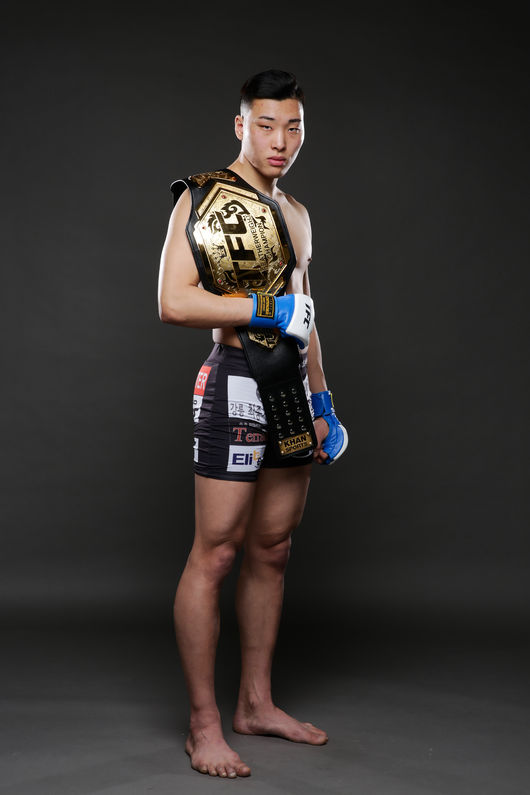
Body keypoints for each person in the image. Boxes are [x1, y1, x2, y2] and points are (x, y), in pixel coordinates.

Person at [157, 68, 347, 779]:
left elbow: (307, 316)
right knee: (216, 553)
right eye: (266, 125)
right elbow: (174, 301)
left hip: (290, 387)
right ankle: (203, 724)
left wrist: (323, 402)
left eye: (293, 127)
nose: (280, 140)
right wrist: (264, 309)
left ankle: (255, 704)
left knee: (273, 548)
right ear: (241, 126)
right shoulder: (203, 197)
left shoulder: (296, 212)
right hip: (236, 379)